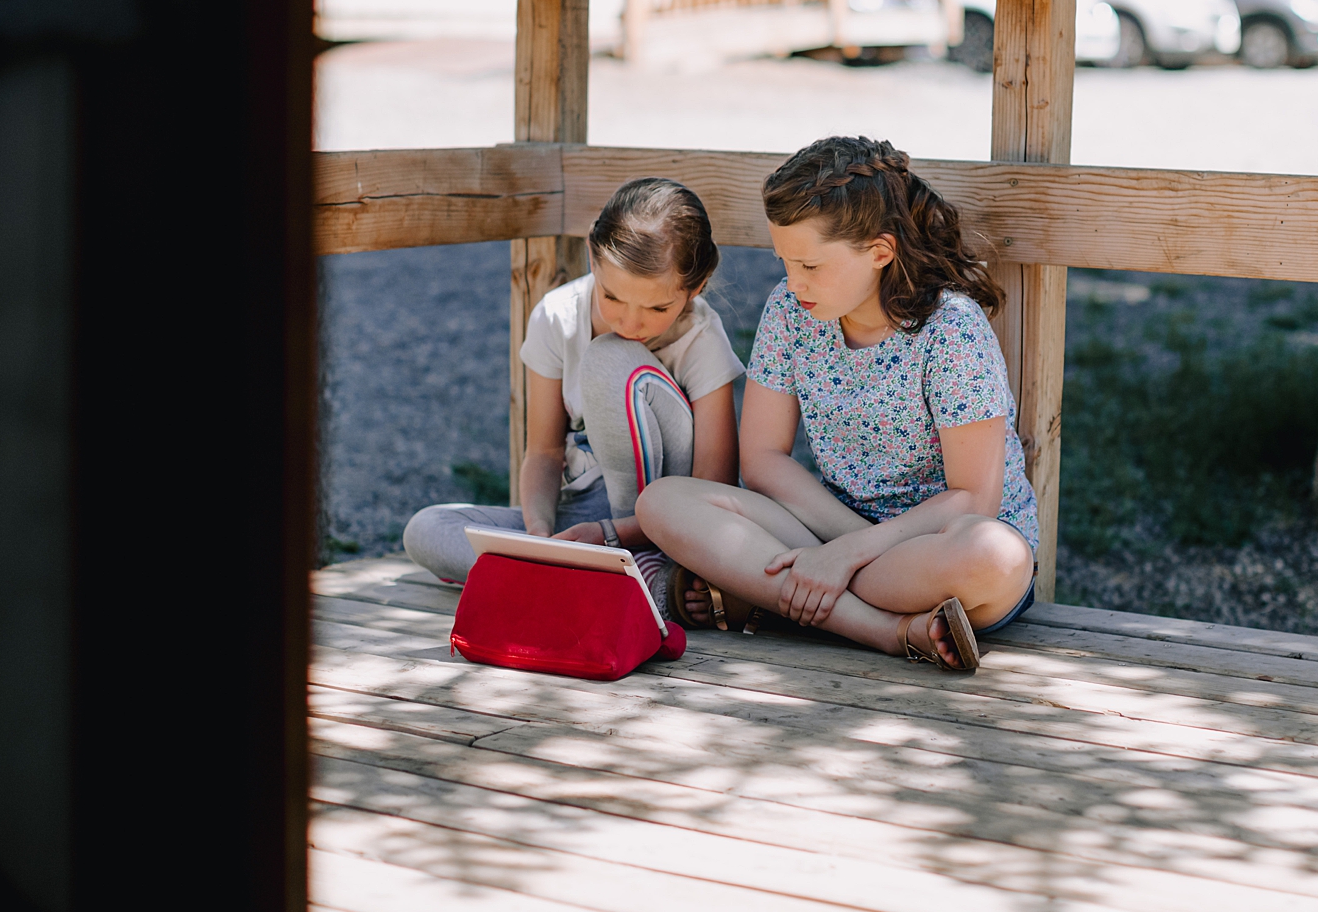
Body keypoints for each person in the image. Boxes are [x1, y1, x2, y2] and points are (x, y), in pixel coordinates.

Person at [635, 136, 1037, 673]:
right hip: (822, 532)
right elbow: (762, 461)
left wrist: (845, 556)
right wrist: (838, 545)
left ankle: (775, 593)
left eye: (810, 266)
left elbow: (974, 499)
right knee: (662, 502)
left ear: (879, 252)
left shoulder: (951, 330)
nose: (793, 281)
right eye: (784, 261)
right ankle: (888, 631)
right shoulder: (789, 311)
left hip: (933, 550)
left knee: (998, 557)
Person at [403, 177, 742, 625]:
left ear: (695, 287)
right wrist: (540, 537)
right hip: (582, 517)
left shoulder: (702, 337)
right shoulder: (557, 316)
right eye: (612, 296)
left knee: (610, 358)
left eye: (657, 309)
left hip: (667, 523)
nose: (631, 321)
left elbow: (714, 487)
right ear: (591, 256)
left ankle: (638, 568)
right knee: (426, 529)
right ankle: (596, 580)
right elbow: (543, 451)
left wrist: (608, 535)